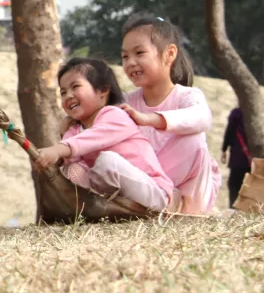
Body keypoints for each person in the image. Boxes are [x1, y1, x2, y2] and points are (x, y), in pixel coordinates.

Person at [35, 58, 175, 212]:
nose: (68, 95)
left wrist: (58, 149)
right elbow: (70, 159)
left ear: (103, 91)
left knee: (107, 162)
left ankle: (102, 202)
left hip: (152, 192)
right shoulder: (73, 132)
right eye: (63, 92)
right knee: (71, 170)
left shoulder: (116, 115)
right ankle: (93, 207)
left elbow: (89, 140)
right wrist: (54, 153)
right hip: (114, 197)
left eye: (75, 87)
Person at [118, 14, 222, 214]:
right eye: (125, 57)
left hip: (188, 203)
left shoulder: (187, 96)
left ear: (169, 54)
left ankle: (182, 207)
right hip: (147, 189)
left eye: (139, 53)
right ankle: (159, 200)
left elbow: (202, 118)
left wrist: (151, 119)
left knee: (193, 140)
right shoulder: (126, 102)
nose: (130, 62)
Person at [221, 107, 252, 208]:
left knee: (234, 186)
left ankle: (233, 210)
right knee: (251, 188)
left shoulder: (237, 113)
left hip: (238, 157)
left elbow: (229, 131)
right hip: (254, 160)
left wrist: (224, 148)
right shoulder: (255, 114)